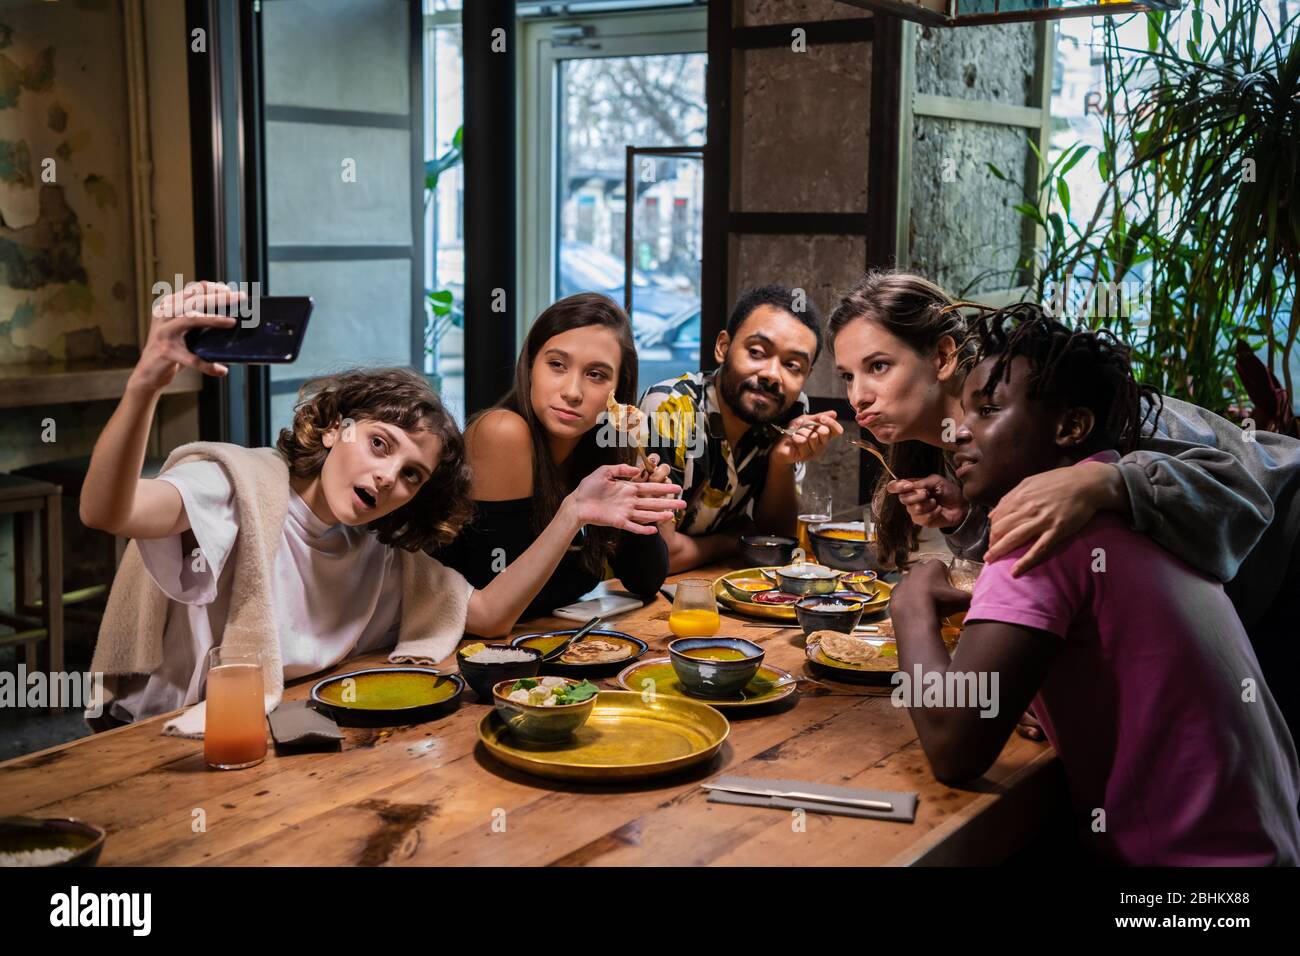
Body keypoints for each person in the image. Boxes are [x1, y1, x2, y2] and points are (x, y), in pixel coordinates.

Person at [82, 282, 680, 727]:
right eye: (378, 444)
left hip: (267, 729)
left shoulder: (377, 548)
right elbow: (108, 514)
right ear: (328, 429)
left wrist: (576, 509)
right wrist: (146, 384)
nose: (388, 476)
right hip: (154, 730)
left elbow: (491, 615)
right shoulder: (241, 488)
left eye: (412, 475)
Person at [890, 304, 1300, 865]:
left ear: (1070, 426)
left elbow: (952, 742)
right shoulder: (1144, 513)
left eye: (987, 410)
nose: (957, 430)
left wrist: (910, 604)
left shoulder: (1039, 533)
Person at [830, 270, 1300, 735]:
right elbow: (1059, 563)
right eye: (847, 376)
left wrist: (1106, 480)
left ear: (944, 355)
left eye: (878, 367)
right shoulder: (970, 456)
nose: (858, 397)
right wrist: (969, 523)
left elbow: (1240, 489)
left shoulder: (1043, 397)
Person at [435, 293, 684, 618]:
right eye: (556, 365)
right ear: (530, 365)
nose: (572, 392)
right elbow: (504, 601)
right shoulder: (502, 432)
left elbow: (644, 581)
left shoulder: (602, 446)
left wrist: (641, 509)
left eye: (596, 374)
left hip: (547, 645)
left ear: (616, 392)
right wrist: (575, 513)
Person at [639, 285, 843, 572]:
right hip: (613, 596)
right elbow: (658, 556)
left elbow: (777, 541)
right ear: (723, 347)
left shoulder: (791, 412)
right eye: (757, 352)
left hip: (705, 582)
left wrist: (780, 463)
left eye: (793, 366)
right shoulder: (671, 409)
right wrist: (737, 540)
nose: (773, 375)